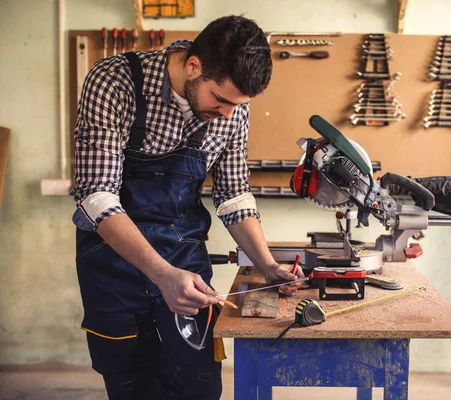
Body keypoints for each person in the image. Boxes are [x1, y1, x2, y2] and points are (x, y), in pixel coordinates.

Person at [72, 15, 304, 400]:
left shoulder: (233, 109)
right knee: (130, 382)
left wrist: (267, 266)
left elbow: (233, 194)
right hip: (112, 263)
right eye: (222, 100)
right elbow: (97, 196)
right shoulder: (114, 81)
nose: (228, 114)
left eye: (239, 106)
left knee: (198, 384)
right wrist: (163, 275)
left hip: (185, 256)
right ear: (193, 66)